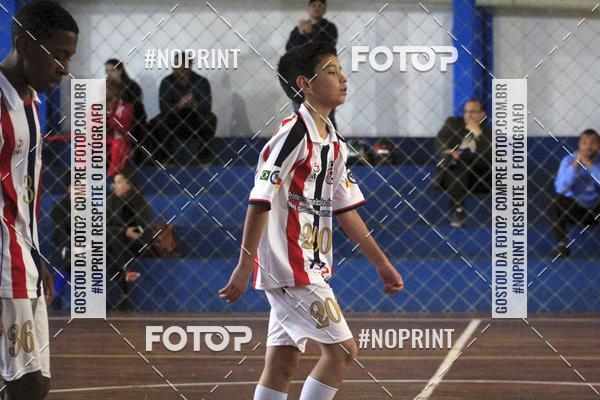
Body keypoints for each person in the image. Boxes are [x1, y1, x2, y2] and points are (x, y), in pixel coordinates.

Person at [219, 42, 404, 400]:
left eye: (341, 70)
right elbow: (259, 200)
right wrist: (244, 264)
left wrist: (382, 264)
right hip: (290, 266)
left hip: (309, 263)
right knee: (343, 351)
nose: (343, 78)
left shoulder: (334, 143)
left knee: (282, 363)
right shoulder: (293, 135)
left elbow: (346, 209)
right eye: (332, 72)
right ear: (305, 83)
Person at [0, 1, 78, 398]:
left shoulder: (30, 101)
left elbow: (19, 194)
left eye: (69, 57)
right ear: (24, 45)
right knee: (27, 384)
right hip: (4, 265)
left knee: (35, 383)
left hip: (21, 257)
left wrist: (35, 255)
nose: (65, 68)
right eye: (59, 55)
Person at [434, 99, 492, 227]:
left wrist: (478, 133)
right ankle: (458, 212)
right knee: (455, 168)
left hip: (480, 174)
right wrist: (447, 151)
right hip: (456, 168)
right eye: (466, 111)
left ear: (482, 114)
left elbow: (492, 156)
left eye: (472, 112)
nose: (468, 115)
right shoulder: (453, 124)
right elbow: (440, 139)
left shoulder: (489, 134)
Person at [151, 51, 217, 164]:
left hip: (194, 119)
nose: (178, 68)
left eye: (182, 65)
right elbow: (163, 107)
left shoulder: (201, 81)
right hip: (175, 119)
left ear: (189, 66)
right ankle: (166, 158)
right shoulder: (166, 82)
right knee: (157, 122)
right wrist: (180, 105)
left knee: (210, 118)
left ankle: (203, 157)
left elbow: (207, 106)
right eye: (175, 65)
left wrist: (193, 104)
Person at [551, 129, 600, 258]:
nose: (588, 146)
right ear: (579, 145)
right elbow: (560, 188)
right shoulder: (568, 160)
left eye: (593, 143)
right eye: (585, 143)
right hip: (574, 209)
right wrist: (575, 166)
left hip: (596, 208)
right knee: (556, 201)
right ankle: (562, 245)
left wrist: (590, 166)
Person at [107, 172, 151, 310]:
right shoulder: (111, 201)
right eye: (114, 183)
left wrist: (128, 232)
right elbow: (102, 226)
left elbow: (144, 228)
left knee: (114, 241)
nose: (115, 186)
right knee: (113, 240)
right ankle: (126, 272)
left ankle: (122, 290)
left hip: (136, 243)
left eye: (119, 182)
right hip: (115, 242)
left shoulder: (138, 202)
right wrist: (124, 231)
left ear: (129, 184)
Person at [104, 58, 147, 163]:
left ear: (120, 71)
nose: (109, 73)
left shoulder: (132, 87)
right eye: (106, 71)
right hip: (110, 120)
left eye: (112, 70)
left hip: (129, 121)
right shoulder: (104, 86)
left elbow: (136, 109)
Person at [50, 172, 71, 310]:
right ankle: (56, 297)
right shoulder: (59, 206)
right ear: (69, 187)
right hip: (64, 244)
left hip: (87, 244)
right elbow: (60, 232)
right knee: (69, 260)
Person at [106, 78, 134, 177]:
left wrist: (111, 113)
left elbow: (123, 129)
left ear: (116, 91)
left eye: (108, 89)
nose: (105, 92)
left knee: (118, 143)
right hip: (100, 139)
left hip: (118, 140)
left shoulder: (126, 107)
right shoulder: (96, 106)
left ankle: (113, 175)